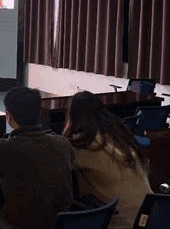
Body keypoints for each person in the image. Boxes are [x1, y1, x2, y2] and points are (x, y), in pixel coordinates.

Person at [0, 87, 75, 229]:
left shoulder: (4, 147)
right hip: (59, 225)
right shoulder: (63, 143)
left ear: (9, 116)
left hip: (16, 225)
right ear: (38, 114)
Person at [63, 91, 152, 229]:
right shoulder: (120, 135)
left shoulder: (82, 144)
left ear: (72, 117)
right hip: (150, 218)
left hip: (119, 223)